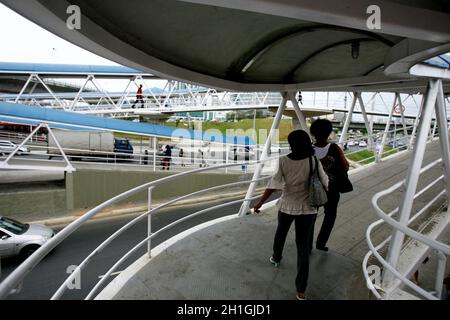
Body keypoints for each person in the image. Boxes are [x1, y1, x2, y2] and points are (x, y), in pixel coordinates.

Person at [253, 130, 329, 301]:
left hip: (287, 205)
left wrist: (259, 203)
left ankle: (276, 257)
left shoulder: (284, 161)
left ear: (291, 144)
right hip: (308, 208)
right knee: (303, 246)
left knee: (281, 232)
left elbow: (273, 185)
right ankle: (301, 290)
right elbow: (325, 183)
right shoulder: (314, 160)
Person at [309, 119, 350, 252]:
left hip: (312, 189)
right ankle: (321, 243)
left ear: (313, 133)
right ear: (329, 133)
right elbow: (346, 166)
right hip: (332, 189)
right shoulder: (334, 148)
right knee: (330, 215)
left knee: (311, 216)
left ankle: (307, 245)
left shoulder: (309, 149)